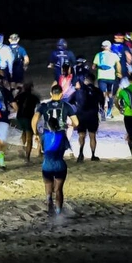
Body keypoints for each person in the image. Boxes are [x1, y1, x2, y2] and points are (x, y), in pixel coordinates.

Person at [32, 83, 78, 217]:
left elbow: (34, 120)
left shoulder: (44, 106)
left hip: (47, 163)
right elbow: (76, 122)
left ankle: (48, 202)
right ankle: (59, 213)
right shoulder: (66, 106)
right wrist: (70, 125)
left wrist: (36, 133)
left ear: (51, 94)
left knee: (48, 184)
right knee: (59, 189)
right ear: (62, 94)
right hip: (59, 162)